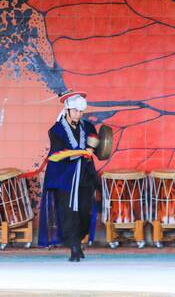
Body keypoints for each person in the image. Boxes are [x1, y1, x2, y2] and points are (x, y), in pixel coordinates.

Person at [42, 90, 101, 262]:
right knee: (68, 212)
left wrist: (94, 147)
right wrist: (82, 151)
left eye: (81, 111)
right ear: (67, 110)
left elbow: (95, 145)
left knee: (84, 211)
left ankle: (79, 239)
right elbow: (57, 154)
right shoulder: (56, 130)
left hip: (84, 175)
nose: (78, 114)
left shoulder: (88, 127)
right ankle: (74, 246)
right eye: (75, 110)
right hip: (64, 176)